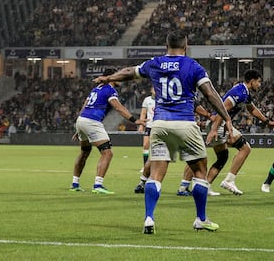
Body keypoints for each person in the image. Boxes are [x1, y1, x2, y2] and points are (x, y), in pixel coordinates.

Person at [97, 31, 233, 234]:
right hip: (185, 124)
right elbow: (210, 94)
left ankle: (149, 218)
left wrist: (109, 77)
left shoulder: (155, 63)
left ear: (165, 45)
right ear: (186, 45)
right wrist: (227, 118)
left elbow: (128, 72)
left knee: (156, 174)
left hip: (159, 125)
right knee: (199, 173)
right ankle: (200, 219)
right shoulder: (193, 66)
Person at [70, 68, 144, 194]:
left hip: (82, 119)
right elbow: (118, 107)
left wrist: (79, 127)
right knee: (107, 153)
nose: (119, 78)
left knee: (84, 152)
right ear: (111, 77)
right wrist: (134, 120)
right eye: (116, 76)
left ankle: (75, 183)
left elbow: (85, 105)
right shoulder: (110, 90)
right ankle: (98, 185)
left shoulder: (96, 89)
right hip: (92, 121)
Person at [208, 69, 274, 195]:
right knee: (245, 148)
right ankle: (228, 181)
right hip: (219, 124)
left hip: (220, 124)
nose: (259, 85)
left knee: (222, 158)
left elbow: (252, 109)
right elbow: (223, 108)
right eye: (258, 82)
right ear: (252, 81)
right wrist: (214, 129)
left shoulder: (244, 92)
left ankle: (206, 186)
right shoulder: (240, 93)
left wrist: (268, 122)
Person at [134, 87, 156, 193]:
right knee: (146, 145)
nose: (155, 90)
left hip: (158, 126)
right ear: (151, 90)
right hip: (149, 125)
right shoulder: (147, 100)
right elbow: (143, 113)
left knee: (155, 148)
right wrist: (141, 125)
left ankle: (152, 168)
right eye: (153, 89)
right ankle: (145, 167)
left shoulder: (161, 99)